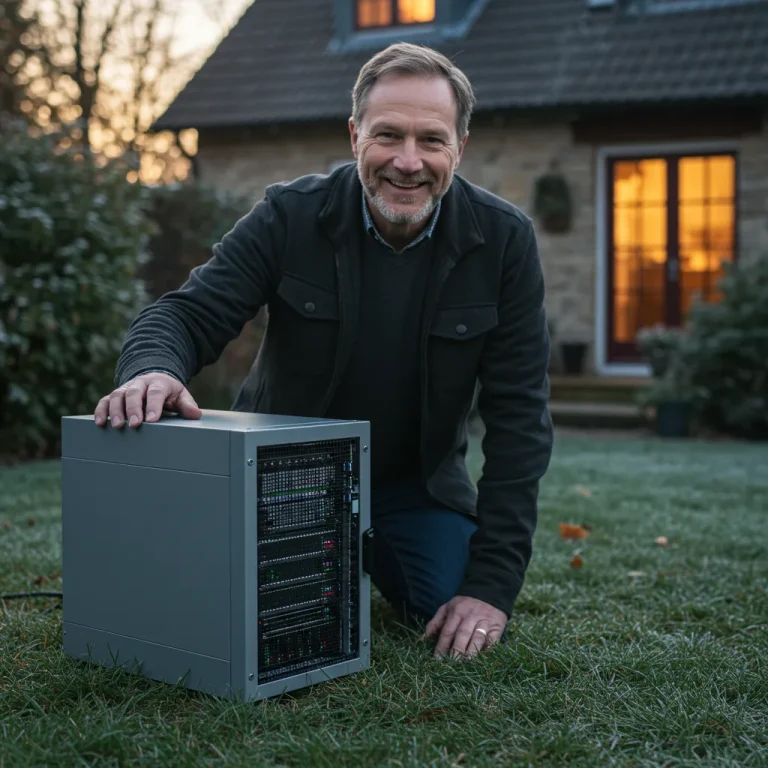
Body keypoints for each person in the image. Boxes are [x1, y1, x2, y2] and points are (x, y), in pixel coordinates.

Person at [94, 43, 553, 660]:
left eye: (431, 140)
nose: (408, 162)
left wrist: (491, 587)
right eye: (387, 135)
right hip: (284, 476)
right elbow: (186, 313)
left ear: (459, 147)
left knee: (450, 602)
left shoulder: (504, 241)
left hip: (414, 489)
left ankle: (365, 556)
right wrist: (152, 369)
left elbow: (521, 419)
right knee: (264, 619)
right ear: (355, 135)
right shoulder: (289, 215)